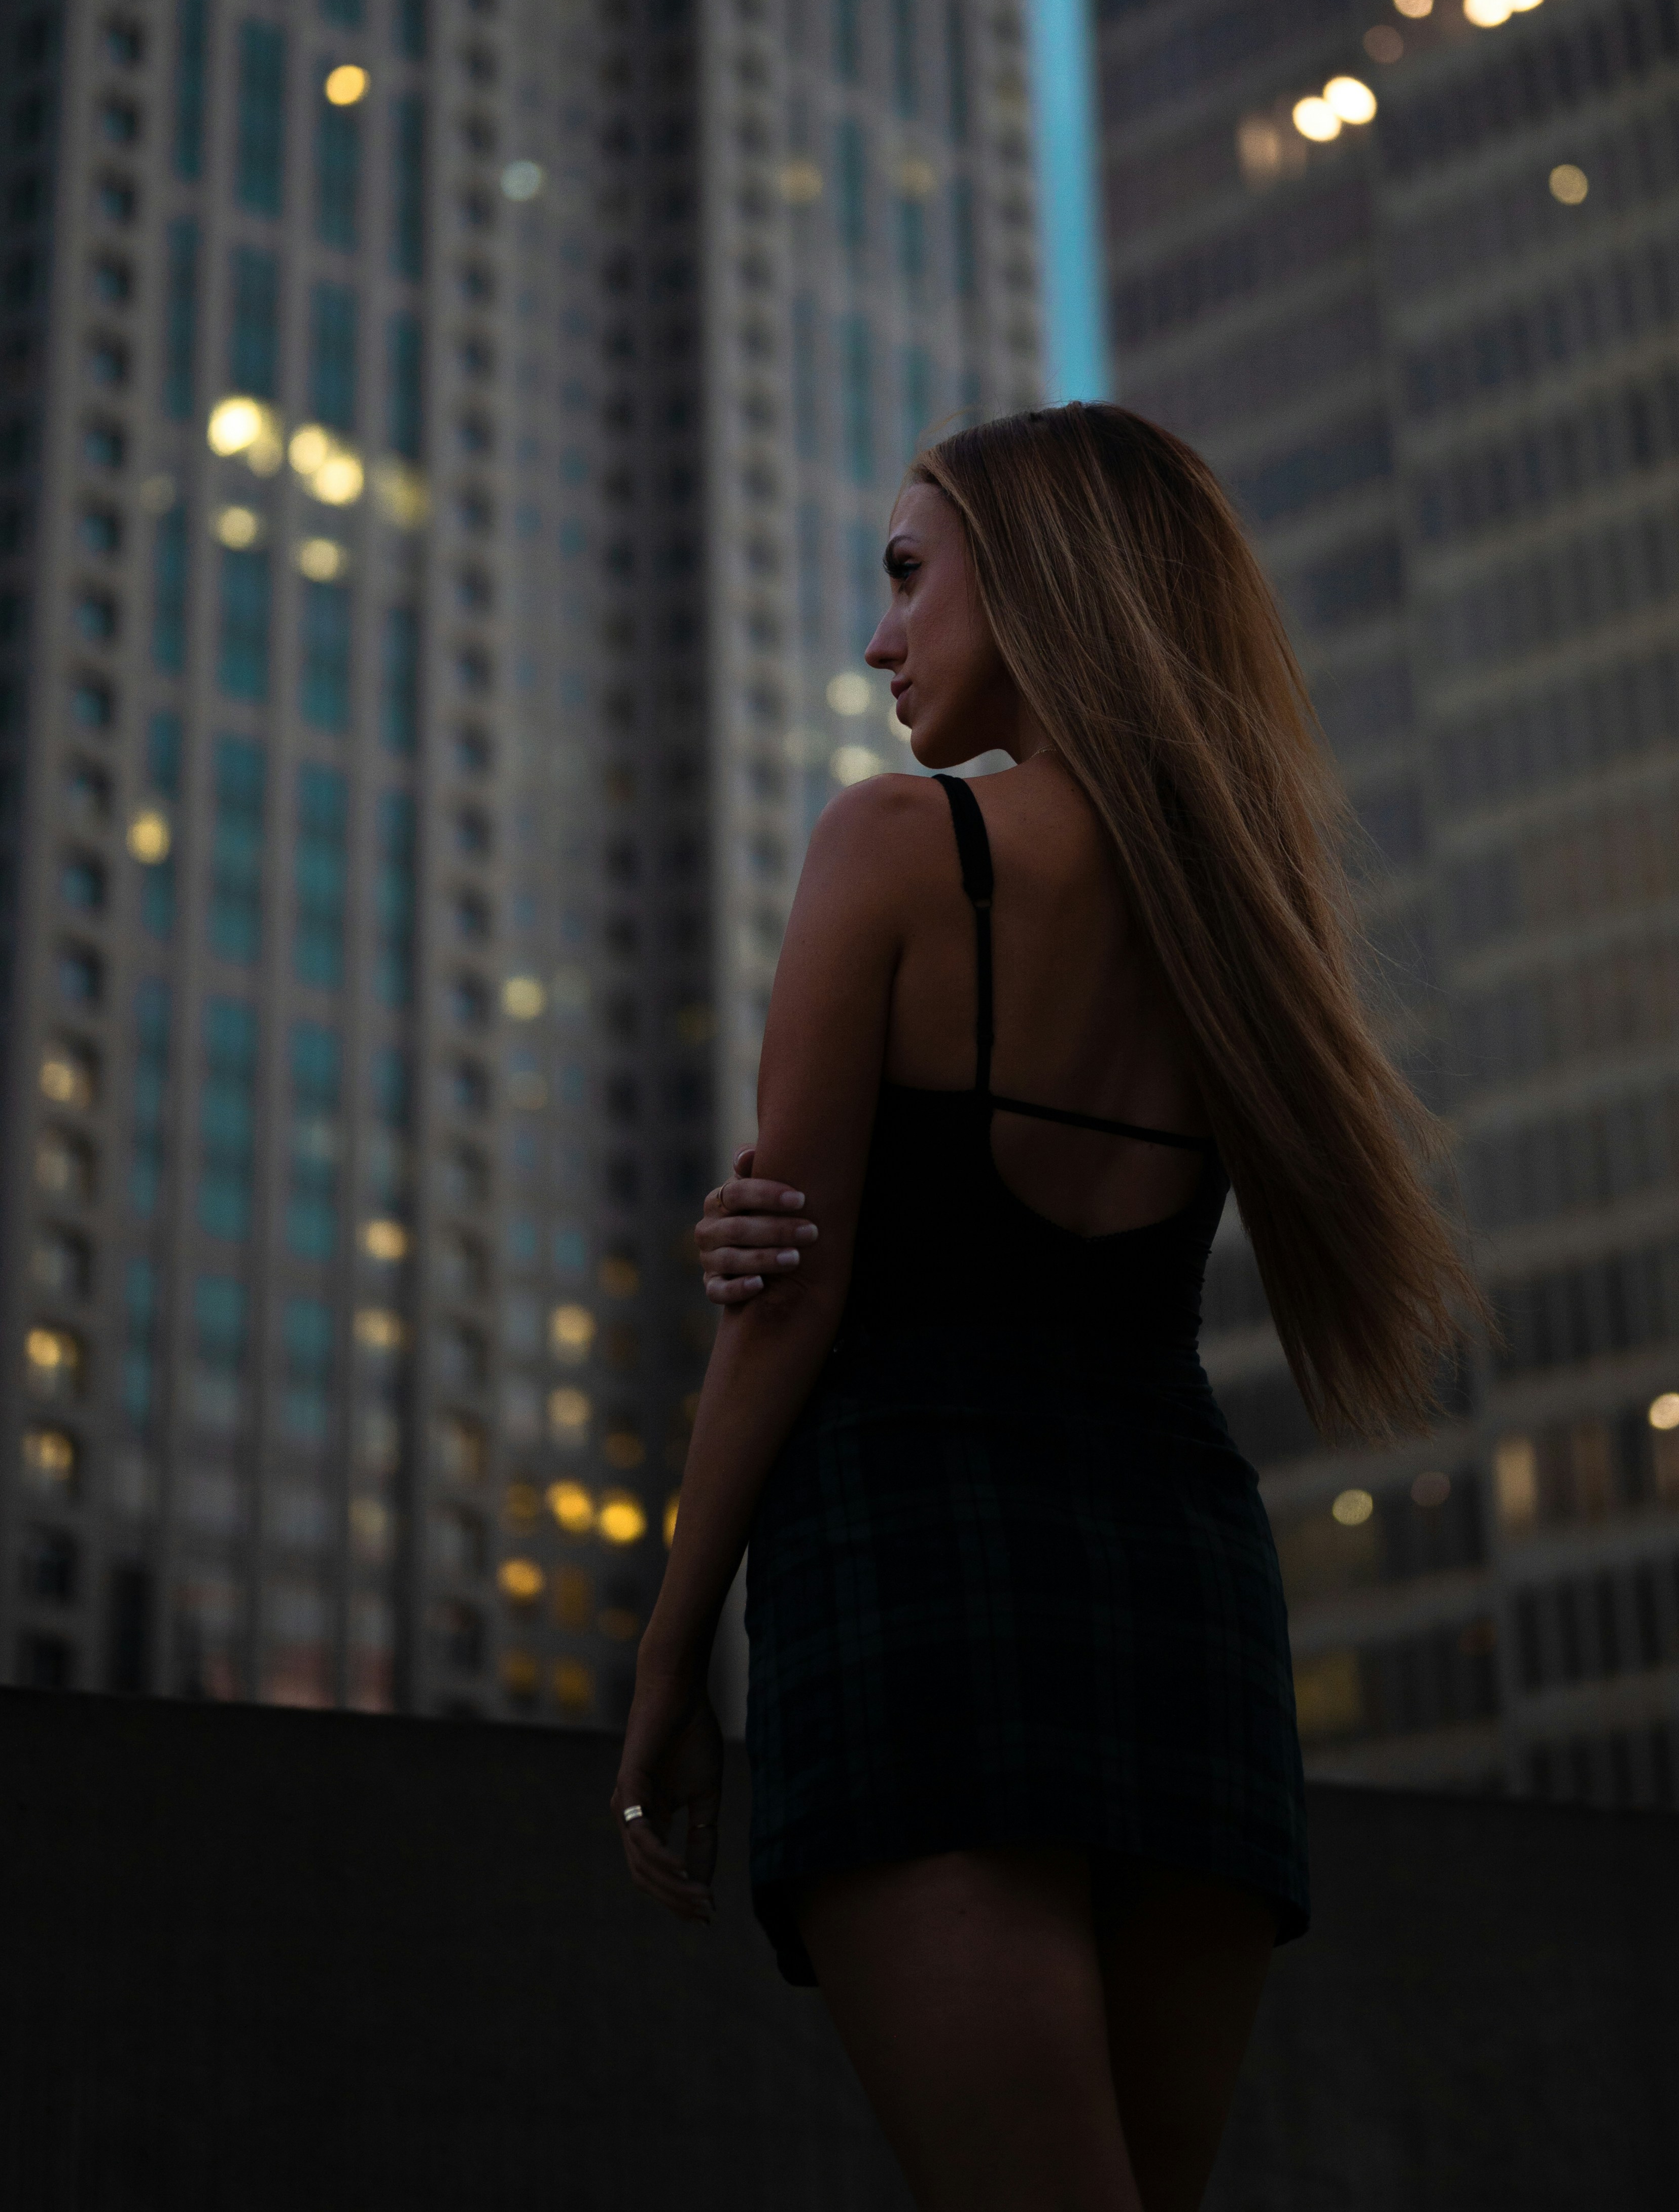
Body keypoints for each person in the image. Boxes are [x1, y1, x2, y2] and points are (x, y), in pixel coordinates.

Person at [612, 404, 1473, 2212]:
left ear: (1045, 583)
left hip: (913, 1570)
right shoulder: (1246, 928)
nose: (880, 641)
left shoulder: (893, 848)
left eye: (908, 577)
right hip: (1186, 1604)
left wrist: (671, 1659)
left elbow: (790, 1304)